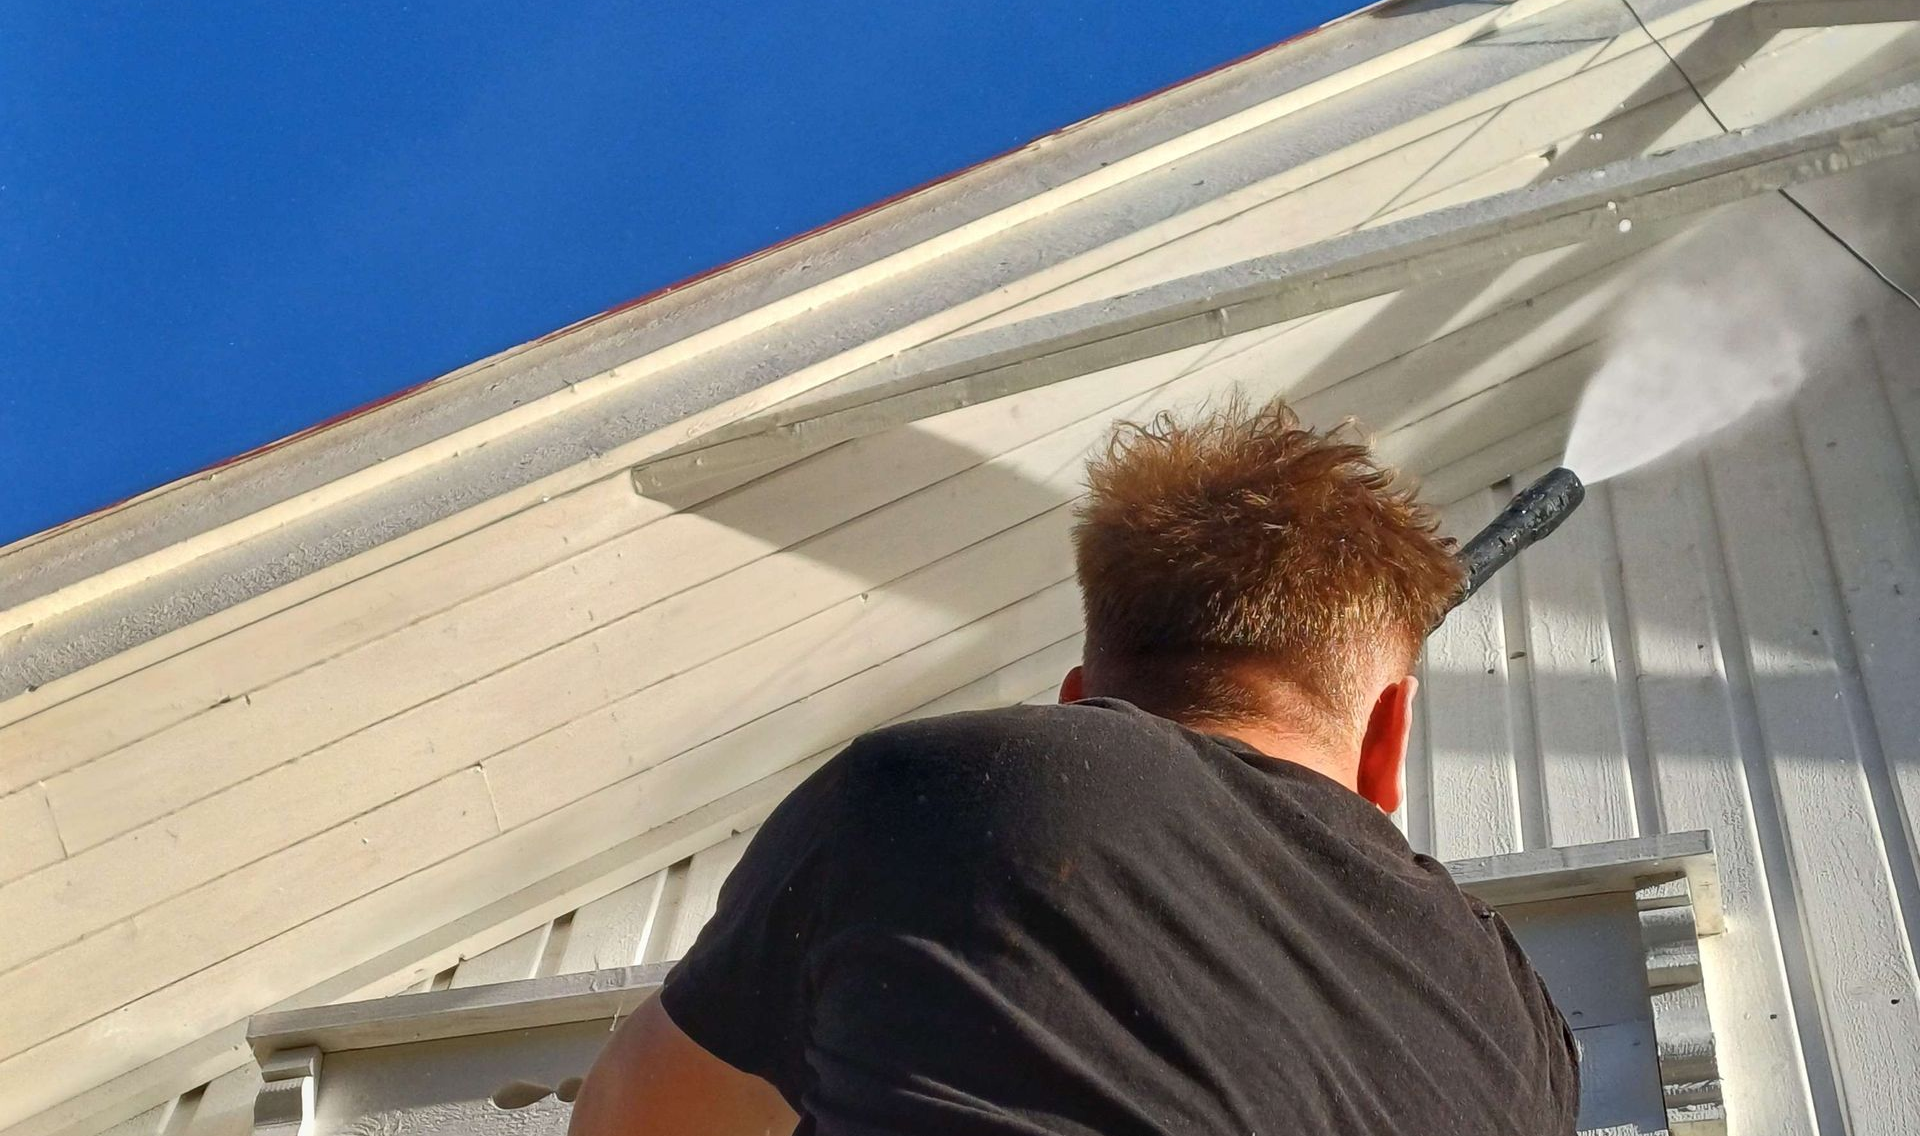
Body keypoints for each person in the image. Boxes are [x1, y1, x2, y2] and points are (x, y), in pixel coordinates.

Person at [569, 396, 1580, 1136]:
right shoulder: (1520, 1021)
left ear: (1076, 702)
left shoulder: (933, 789)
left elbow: (632, 1120)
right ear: (1387, 736)